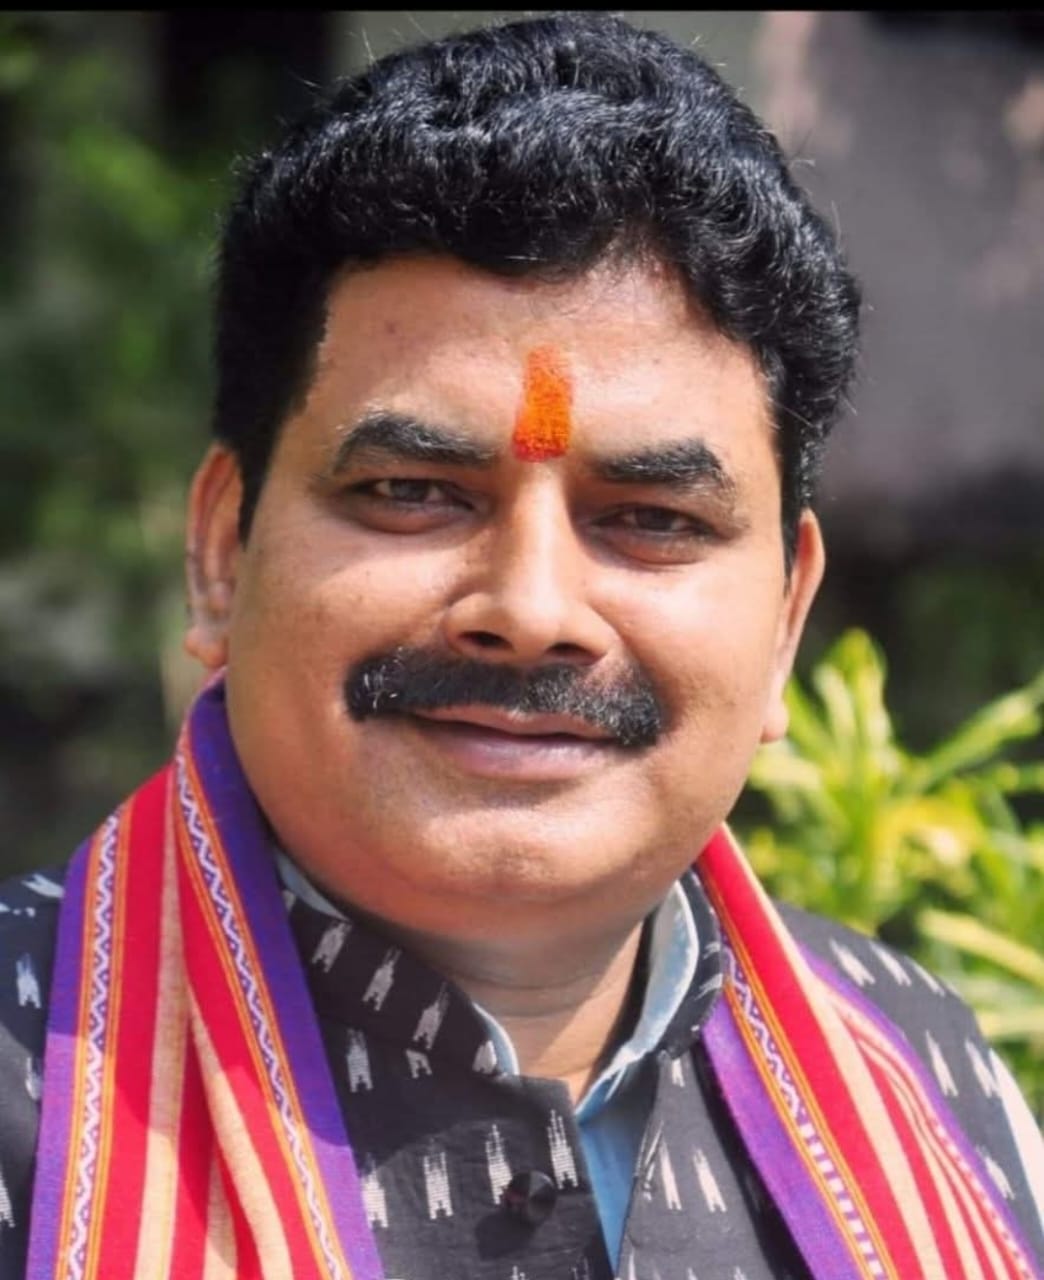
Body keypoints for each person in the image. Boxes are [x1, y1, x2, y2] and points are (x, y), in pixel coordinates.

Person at [0, 13, 1041, 1280]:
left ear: (784, 620)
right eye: (412, 492)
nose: (532, 605)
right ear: (224, 550)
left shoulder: (939, 1084)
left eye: (652, 518)